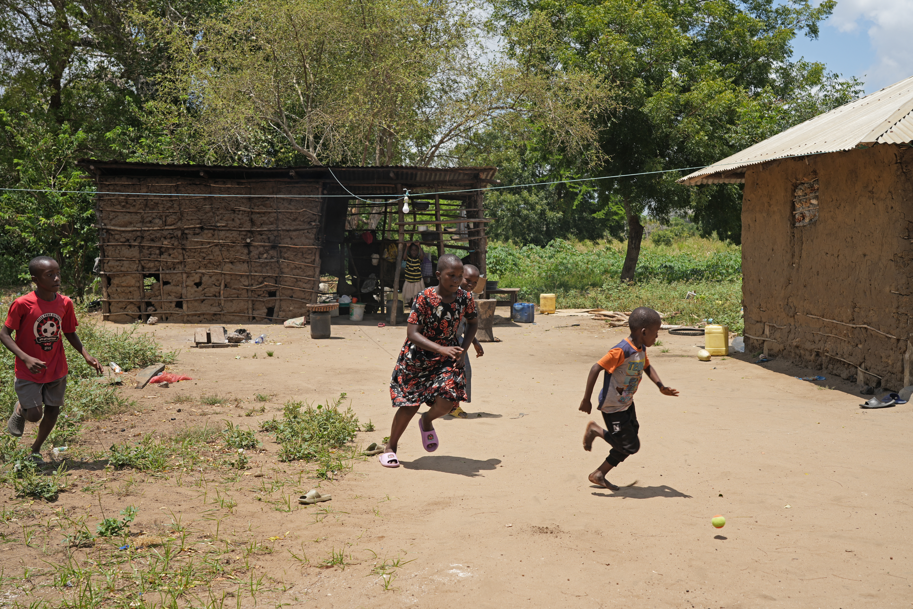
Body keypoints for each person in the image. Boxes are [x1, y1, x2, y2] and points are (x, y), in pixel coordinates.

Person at [380, 254, 479, 467]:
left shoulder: (465, 298)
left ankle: (426, 421)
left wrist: (464, 349)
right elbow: (412, 333)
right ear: (438, 275)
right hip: (417, 359)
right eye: (450, 275)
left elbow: (473, 323)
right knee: (410, 405)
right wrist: (441, 348)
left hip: (446, 359)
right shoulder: (424, 298)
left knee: (448, 400)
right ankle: (391, 447)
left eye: (459, 276)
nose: (456, 280)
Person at [3, 256, 102, 460]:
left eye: (58, 273)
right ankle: (21, 409)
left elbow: (69, 332)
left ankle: (35, 449)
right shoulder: (23, 304)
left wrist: (86, 354)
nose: (56, 278)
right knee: (35, 415)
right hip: (28, 369)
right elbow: (4, 334)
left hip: (56, 367)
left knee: (53, 410)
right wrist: (26, 358)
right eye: (50, 275)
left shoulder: (65, 303)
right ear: (36, 280)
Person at [579, 307, 678, 490]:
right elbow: (595, 368)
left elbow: (647, 367)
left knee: (629, 440)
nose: (656, 337)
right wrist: (587, 399)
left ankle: (599, 474)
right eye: (655, 333)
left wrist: (660, 386)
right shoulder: (621, 350)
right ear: (644, 332)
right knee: (630, 446)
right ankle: (595, 431)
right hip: (612, 407)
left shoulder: (641, 348)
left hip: (626, 403)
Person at [449, 264, 484, 419]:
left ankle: (454, 406)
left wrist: (474, 342)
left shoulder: (468, 299)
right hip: (444, 342)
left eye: (475, 282)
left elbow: (467, 324)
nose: (471, 284)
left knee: (463, 372)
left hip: (459, 341)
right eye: (467, 280)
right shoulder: (450, 296)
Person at [401, 242, 425, 307]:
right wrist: (407, 247)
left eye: (416, 250)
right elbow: (404, 257)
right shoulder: (408, 258)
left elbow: (422, 256)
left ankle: (416, 311)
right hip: (409, 281)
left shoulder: (418, 259)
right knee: (410, 300)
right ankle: (412, 311)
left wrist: (419, 246)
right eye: (412, 250)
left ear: (418, 251)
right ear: (409, 251)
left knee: (417, 298)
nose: (414, 252)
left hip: (417, 282)